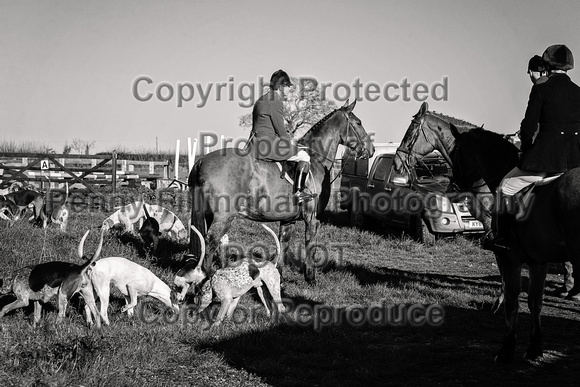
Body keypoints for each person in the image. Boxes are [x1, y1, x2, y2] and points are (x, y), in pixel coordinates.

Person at [484, 45, 580, 300]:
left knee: (505, 187)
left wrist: (526, 149)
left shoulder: (541, 88)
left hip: (547, 162)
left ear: (547, 66)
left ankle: (502, 239)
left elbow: (528, 127)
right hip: (575, 162)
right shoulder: (578, 92)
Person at [247, 69, 316, 204]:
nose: (289, 89)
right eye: (287, 86)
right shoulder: (275, 101)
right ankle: (298, 193)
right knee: (304, 156)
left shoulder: (261, 99)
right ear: (280, 87)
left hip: (254, 144)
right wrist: (291, 144)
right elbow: (280, 130)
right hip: (268, 145)